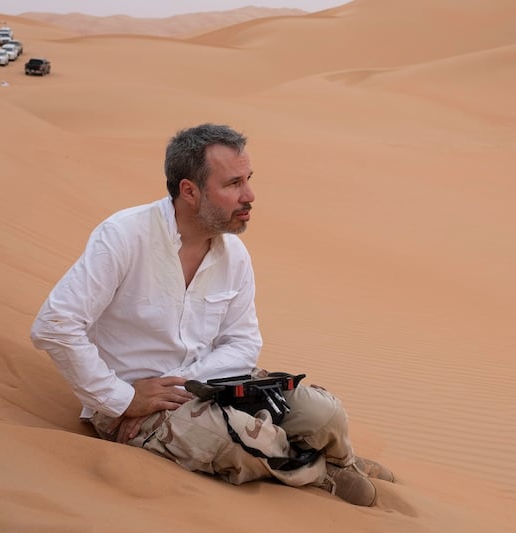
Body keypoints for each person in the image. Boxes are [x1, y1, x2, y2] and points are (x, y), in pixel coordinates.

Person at [30, 123, 394, 506]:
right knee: (235, 442)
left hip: (210, 382)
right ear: (190, 190)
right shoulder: (124, 236)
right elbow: (55, 326)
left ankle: (335, 457)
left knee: (323, 413)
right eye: (233, 184)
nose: (250, 195)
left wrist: (189, 384)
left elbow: (243, 342)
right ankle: (323, 472)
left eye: (248, 179)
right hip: (135, 399)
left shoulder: (233, 254)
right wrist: (120, 399)